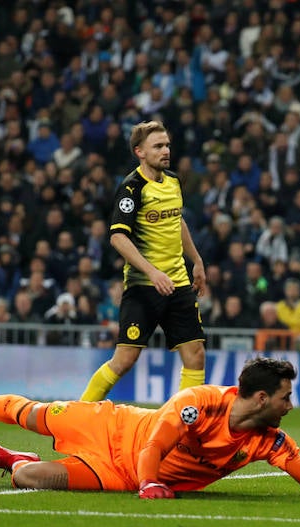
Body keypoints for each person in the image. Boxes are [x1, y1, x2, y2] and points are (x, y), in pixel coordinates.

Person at [0, 357, 300, 500]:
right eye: (285, 397)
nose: (290, 405)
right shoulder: (200, 403)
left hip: (119, 475)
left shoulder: (266, 439)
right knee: (33, 414)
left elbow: (297, 463)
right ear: (262, 399)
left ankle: (18, 460)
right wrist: (151, 481)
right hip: (114, 427)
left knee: (31, 479)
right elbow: (156, 442)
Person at [81, 121, 207, 401]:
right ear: (140, 151)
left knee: (196, 355)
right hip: (143, 286)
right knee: (125, 359)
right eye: (158, 146)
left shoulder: (173, 180)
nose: (166, 151)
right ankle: (77, 414)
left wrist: (196, 261)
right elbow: (117, 237)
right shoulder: (132, 188)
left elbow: (177, 221)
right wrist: (152, 272)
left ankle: (181, 428)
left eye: (167, 145)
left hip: (178, 283)